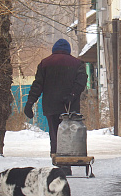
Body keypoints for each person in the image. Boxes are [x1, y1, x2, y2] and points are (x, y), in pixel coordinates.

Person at [24, 38, 88, 171]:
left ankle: (58, 164)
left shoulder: (45, 63)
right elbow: (81, 82)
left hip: (51, 106)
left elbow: (37, 85)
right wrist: (72, 95)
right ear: (68, 51)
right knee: (70, 134)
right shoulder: (77, 63)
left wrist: (30, 102)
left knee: (55, 134)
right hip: (70, 107)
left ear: (54, 50)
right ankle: (67, 163)